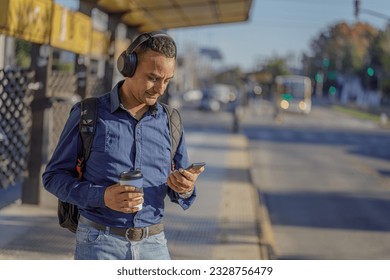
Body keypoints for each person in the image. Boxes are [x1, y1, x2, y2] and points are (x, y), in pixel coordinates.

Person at [42, 31, 205, 260]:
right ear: (128, 67)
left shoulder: (172, 121)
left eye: (167, 80)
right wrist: (102, 197)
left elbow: (182, 193)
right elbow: (53, 177)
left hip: (154, 246)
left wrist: (185, 187)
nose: (160, 89)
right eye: (153, 78)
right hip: (99, 244)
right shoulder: (88, 114)